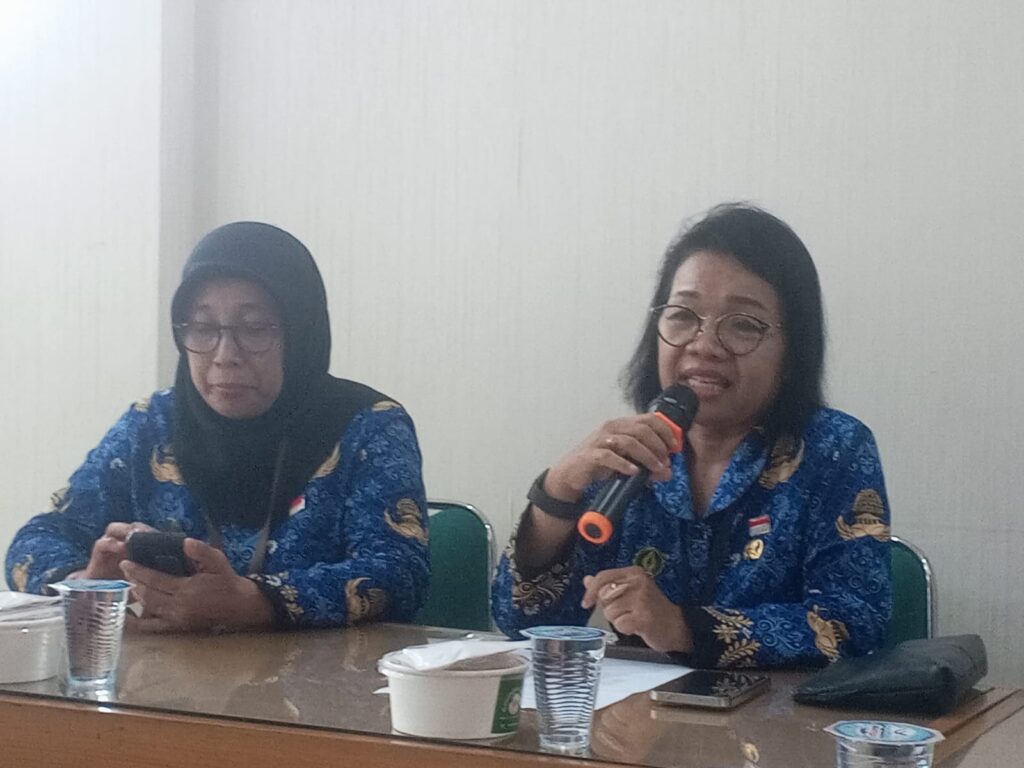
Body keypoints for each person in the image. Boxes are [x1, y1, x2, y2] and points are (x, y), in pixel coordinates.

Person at [492, 203, 891, 668]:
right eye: (683, 316)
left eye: (743, 324)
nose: (704, 345)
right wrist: (557, 493)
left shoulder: (834, 449)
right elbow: (523, 625)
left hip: (784, 714)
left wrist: (683, 627)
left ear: (792, 350)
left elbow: (852, 626)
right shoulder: (634, 453)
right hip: (642, 712)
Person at [6, 222, 429, 632]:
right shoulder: (152, 422)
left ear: (301, 333)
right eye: (204, 328)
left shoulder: (368, 427)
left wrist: (257, 602)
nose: (225, 355)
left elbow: (398, 573)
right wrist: (85, 584)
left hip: (322, 675)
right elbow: (35, 541)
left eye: (254, 328)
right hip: (165, 673)